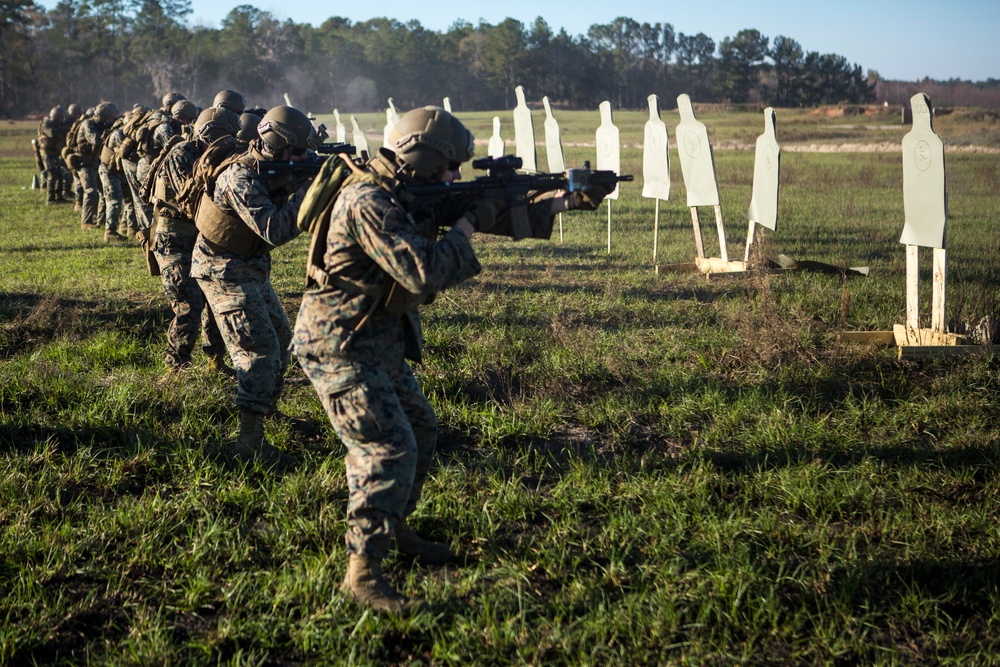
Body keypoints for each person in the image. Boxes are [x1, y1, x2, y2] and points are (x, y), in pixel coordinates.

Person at [289, 106, 611, 615]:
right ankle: (363, 573)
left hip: (374, 336)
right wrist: (465, 225)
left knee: (420, 426)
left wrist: (566, 200)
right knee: (388, 449)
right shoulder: (368, 200)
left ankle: (395, 528)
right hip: (338, 344)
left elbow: (495, 209)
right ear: (421, 157)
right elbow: (422, 271)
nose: (455, 177)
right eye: (449, 168)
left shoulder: (403, 187)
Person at [191, 105, 317, 467]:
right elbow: (275, 229)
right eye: (298, 152)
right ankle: (249, 443)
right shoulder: (239, 178)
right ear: (277, 146)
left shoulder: (272, 168)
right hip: (222, 271)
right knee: (259, 352)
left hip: (250, 267)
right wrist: (309, 195)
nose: (304, 158)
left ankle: (266, 412)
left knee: (280, 342)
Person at [152, 106, 242, 380]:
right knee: (189, 303)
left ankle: (215, 360)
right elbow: (189, 201)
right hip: (175, 239)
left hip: (204, 236)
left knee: (214, 300)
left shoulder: (222, 156)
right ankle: (175, 368)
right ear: (207, 135)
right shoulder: (182, 154)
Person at [75, 103, 118, 231]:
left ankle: (101, 220)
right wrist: (107, 133)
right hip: (84, 163)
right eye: (107, 119)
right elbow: (95, 140)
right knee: (90, 191)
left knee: (103, 192)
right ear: (100, 117)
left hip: (94, 163)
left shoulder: (99, 124)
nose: (108, 121)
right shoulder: (88, 125)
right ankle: (86, 222)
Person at [36, 106, 69, 204]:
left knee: (59, 174)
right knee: (52, 174)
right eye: (61, 117)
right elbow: (52, 134)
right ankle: (50, 198)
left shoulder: (55, 124)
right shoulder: (46, 124)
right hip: (47, 153)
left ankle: (59, 197)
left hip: (54, 153)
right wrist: (63, 128)